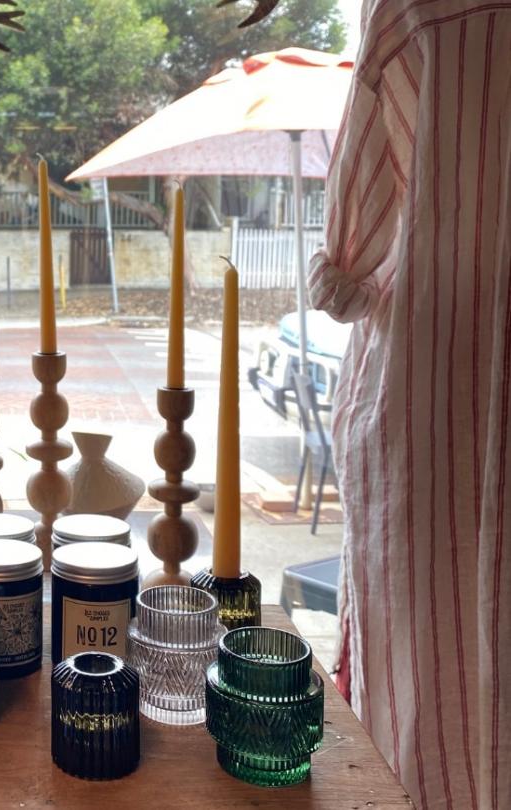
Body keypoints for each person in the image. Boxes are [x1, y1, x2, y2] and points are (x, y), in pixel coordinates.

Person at [308, 3, 509, 808]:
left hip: (442, 407)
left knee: (432, 710)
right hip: (449, 404)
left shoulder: (420, 11)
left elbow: (349, 267)